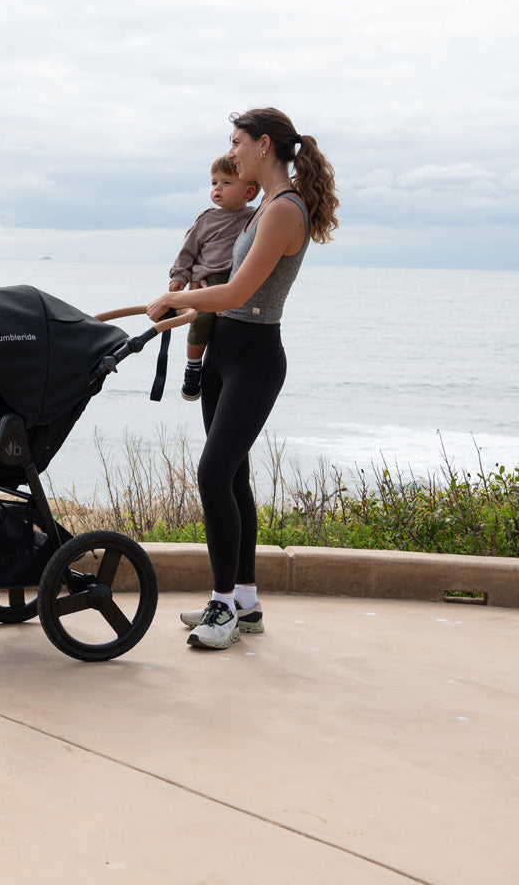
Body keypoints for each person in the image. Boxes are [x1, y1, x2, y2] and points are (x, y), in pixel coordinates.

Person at [146, 107, 339, 649]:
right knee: (232, 479)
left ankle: (222, 606)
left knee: (212, 475)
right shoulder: (258, 211)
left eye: (236, 143)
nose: (230, 153)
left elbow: (236, 295)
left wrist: (176, 297)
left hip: (254, 357)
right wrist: (185, 294)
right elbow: (220, 284)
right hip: (225, 352)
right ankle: (246, 603)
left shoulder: (283, 211)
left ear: (263, 145)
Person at [169, 156, 260, 401]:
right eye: (214, 183)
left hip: (235, 280)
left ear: (248, 192)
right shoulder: (206, 217)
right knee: (201, 320)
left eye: (226, 183)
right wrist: (179, 275)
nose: (217, 188)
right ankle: (192, 366)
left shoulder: (254, 217)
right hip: (207, 278)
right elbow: (188, 249)